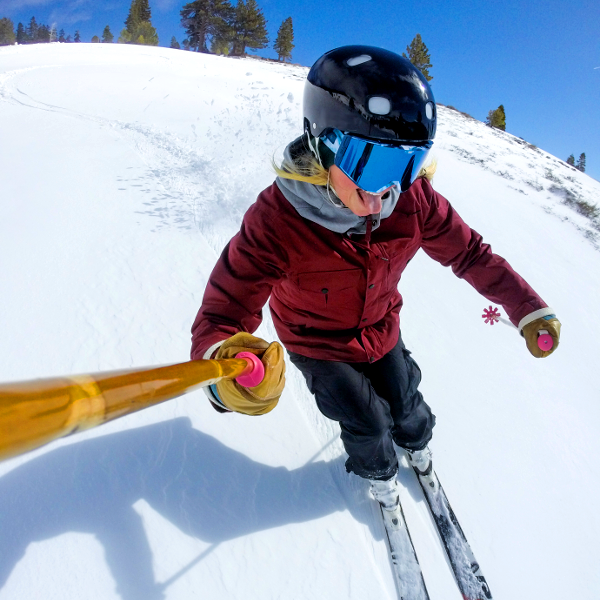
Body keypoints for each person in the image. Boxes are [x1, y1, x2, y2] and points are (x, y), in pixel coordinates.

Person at [190, 45, 561, 517]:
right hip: (316, 342)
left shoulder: (412, 200)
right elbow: (225, 308)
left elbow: (469, 253)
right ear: (323, 143)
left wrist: (526, 307)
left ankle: (417, 444)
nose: (383, 191)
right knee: (365, 421)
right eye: (371, 164)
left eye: (405, 165)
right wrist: (224, 371)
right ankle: (377, 471)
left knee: (406, 402)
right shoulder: (277, 220)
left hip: (380, 327)